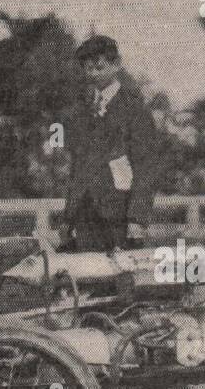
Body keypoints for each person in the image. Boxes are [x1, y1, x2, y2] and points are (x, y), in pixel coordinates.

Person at [57, 35, 163, 252]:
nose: (93, 74)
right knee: (87, 277)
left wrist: (137, 218)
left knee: (120, 279)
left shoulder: (135, 109)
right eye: (87, 68)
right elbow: (78, 167)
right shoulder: (83, 111)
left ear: (117, 64)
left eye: (99, 66)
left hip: (119, 216)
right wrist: (68, 217)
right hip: (85, 214)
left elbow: (145, 166)